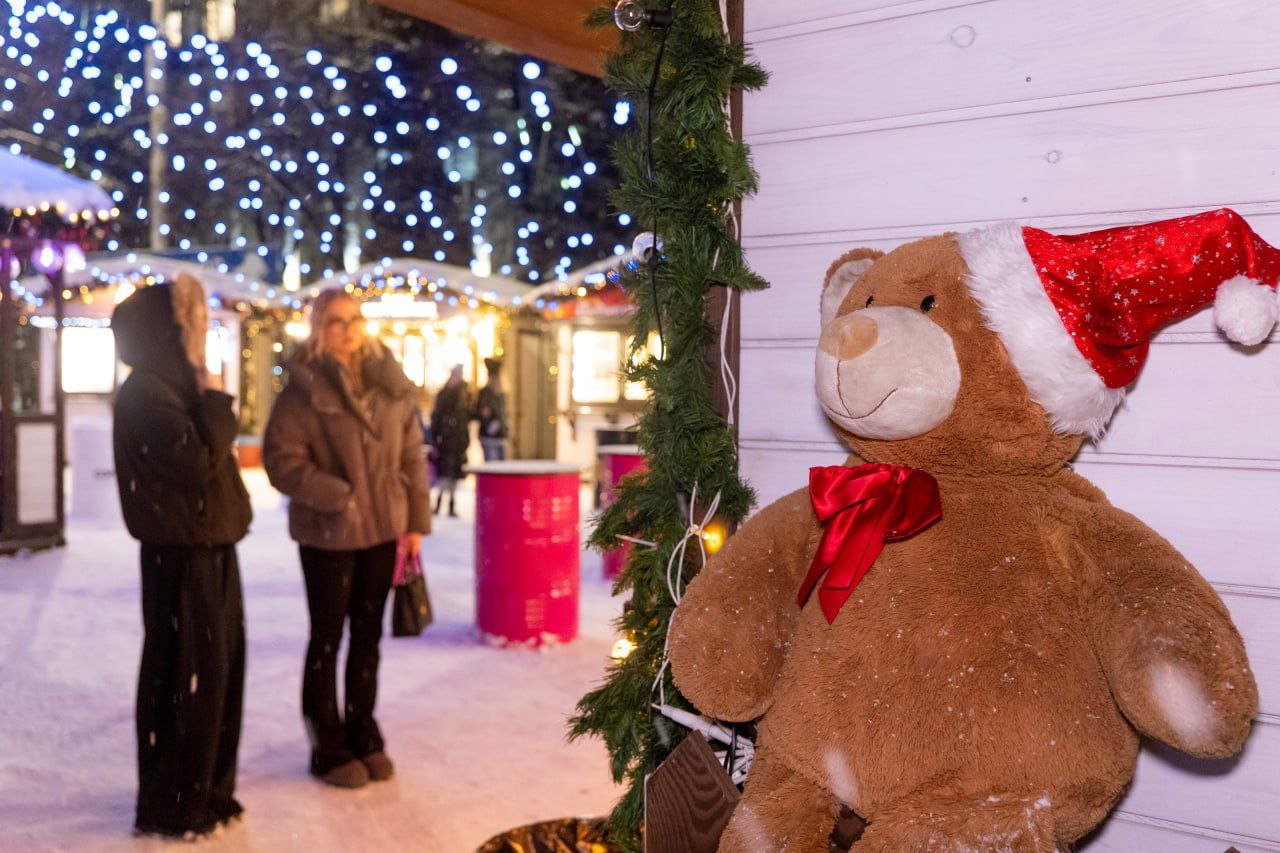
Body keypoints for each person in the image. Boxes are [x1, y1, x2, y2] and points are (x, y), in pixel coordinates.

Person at [262, 289, 431, 789]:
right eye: (335, 321)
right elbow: (281, 459)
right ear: (318, 327)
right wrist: (338, 495)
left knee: (368, 634)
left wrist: (415, 520)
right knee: (328, 636)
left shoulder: (389, 381)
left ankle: (362, 726)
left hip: (382, 529)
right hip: (329, 533)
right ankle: (326, 740)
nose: (348, 328)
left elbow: (412, 456)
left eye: (354, 319)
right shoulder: (303, 388)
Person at [112, 275, 253, 839]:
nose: (199, 332)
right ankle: (176, 800)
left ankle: (207, 790)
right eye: (191, 323)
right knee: (187, 675)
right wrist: (217, 401)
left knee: (217, 675)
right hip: (181, 554)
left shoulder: (173, 386)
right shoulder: (148, 391)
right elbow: (194, 461)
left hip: (209, 546)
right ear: (166, 331)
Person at [429, 364, 471, 517]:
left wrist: (466, 440)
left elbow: (466, 416)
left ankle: (452, 505)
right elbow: (436, 417)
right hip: (445, 441)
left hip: (458, 441)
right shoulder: (445, 394)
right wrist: (435, 439)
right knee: (444, 475)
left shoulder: (464, 394)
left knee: (453, 475)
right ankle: (439, 503)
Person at [473, 357, 509, 462]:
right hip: (489, 437)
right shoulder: (485, 393)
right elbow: (482, 412)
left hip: (500, 435)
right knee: (492, 467)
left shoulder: (501, 393)